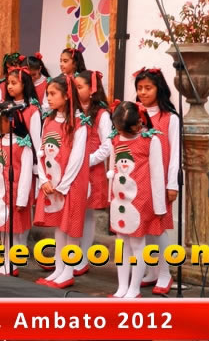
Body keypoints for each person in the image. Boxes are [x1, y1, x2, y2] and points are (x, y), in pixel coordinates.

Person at [34, 75, 89, 289]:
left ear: (66, 96)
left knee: (70, 227)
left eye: (52, 94)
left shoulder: (79, 123)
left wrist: (63, 186)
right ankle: (59, 269)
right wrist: (43, 179)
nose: (48, 98)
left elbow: (77, 158)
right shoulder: (48, 120)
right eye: (47, 94)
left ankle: (68, 271)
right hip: (51, 182)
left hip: (70, 184)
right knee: (58, 227)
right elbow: (41, 151)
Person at [108, 101, 166, 298]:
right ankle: (121, 287)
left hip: (140, 199)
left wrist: (159, 207)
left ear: (138, 124)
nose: (120, 133)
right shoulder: (115, 139)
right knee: (121, 243)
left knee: (137, 244)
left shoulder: (150, 140)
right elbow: (113, 167)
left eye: (125, 130)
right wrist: (110, 197)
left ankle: (134, 288)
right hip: (119, 199)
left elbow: (157, 174)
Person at [134, 67, 179, 295]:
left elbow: (175, 153)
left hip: (160, 182)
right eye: (140, 88)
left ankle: (165, 273)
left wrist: (172, 184)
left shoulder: (170, 118)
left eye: (148, 88)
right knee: (144, 227)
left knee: (158, 227)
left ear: (158, 89)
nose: (143, 92)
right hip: (138, 180)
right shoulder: (134, 116)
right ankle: (152, 271)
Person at [0, 102, 34, 276]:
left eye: (0, 122)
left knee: (13, 231)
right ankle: (7, 262)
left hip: (14, 194)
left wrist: (22, 199)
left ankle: (12, 263)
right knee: (4, 230)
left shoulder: (22, 145)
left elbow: (26, 173)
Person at [74, 70, 111, 276]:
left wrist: (86, 160)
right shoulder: (74, 111)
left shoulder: (102, 114)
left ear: (92, 89)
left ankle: (84, 257)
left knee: (87, 214)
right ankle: (71, 254)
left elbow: (107, 146)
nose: (75, 90)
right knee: (73, 211)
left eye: (80, 87)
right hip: (73, 169)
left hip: (91, 168)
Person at [3, 66, 42, 174]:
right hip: (7, 156)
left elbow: (35, 140)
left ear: (24, 84)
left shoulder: (32, 110)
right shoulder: (4, 108)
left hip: (26, 159)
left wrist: (37, 164)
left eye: (14, 83)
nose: (9, 86)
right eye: (8, 83)